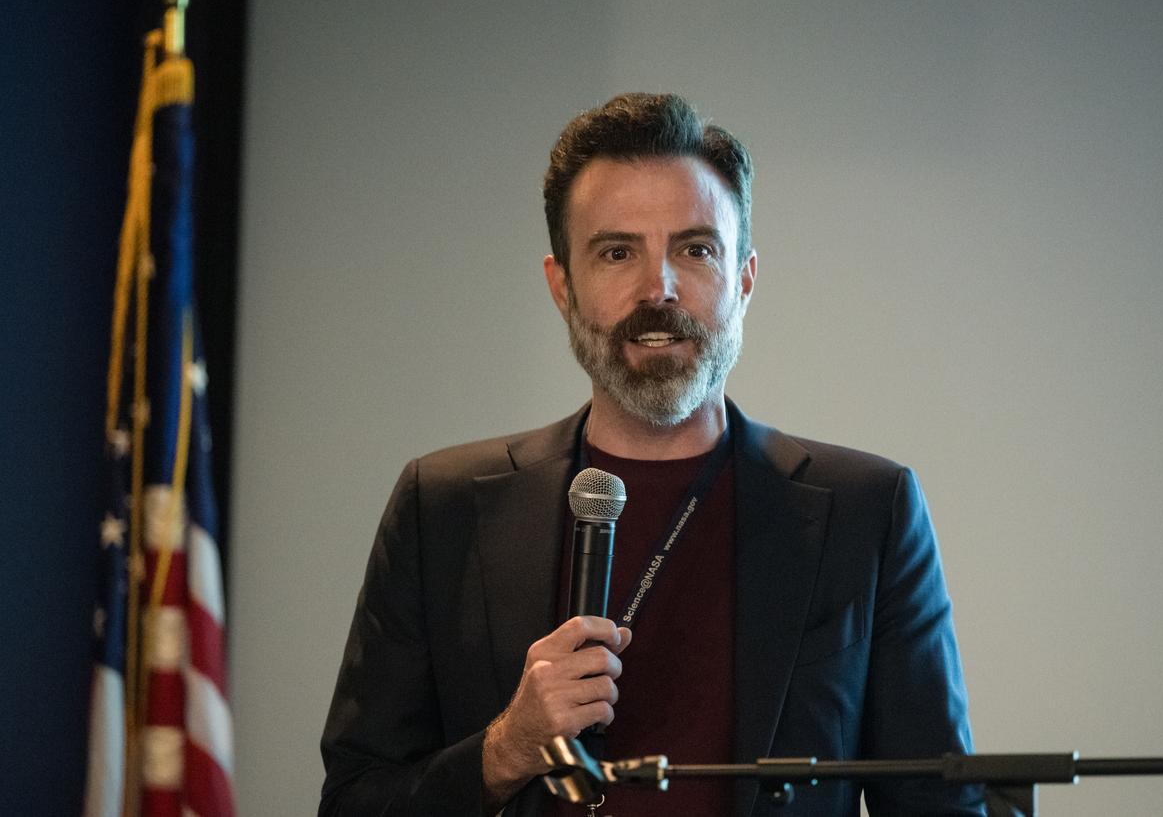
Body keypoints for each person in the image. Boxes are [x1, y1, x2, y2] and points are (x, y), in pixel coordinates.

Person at [319, 93, 985, 816]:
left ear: (744, 280)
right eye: (617, 252)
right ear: (562, 287)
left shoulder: (867, 513)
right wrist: (505, 749)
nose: (658, 287)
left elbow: (940, 807)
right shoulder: (442, 507)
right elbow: (354, 802)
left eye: (696, 249)